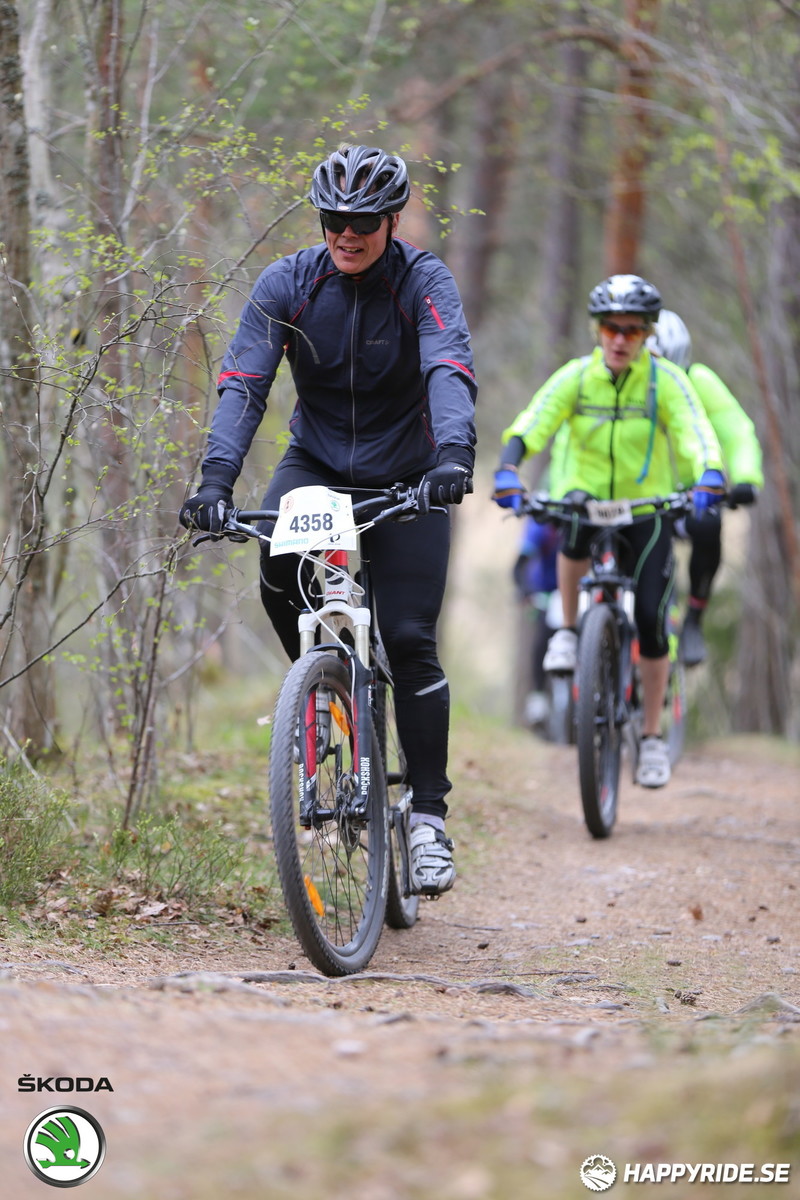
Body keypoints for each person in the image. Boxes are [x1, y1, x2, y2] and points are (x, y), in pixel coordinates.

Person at [180, 144, 478, 894]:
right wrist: (216, 479)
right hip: (317, 467)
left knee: (409, 638)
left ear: (390, 219)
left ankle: (429, 818)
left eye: (363, 221)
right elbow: (244, 381)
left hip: (409, 474)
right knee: (278, 570)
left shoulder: (422, 280)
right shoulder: (289, 283)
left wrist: (451, 457)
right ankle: (319, 699)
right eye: (334, 219)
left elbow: (449, 365)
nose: (347, 233)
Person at [491, 274, 725, 788]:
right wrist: (509, 466)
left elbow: (695, 431)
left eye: (633, 331)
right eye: (612, 328)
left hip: (646, 507)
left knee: (650, 618)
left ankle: (651, 736)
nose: (621, 339)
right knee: (570, 525)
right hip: (587, 499)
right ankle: (570, 634)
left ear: (646, 335)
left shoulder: (666, 382)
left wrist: (709, 470)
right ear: (597, 330)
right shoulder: (576, 377)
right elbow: (534, 422)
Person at [647, 310, 763, 666]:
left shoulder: (699, 382)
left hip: (689, 496)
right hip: (635, 497)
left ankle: (694, 616)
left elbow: (735, 428)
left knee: (708, 524)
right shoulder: (623, 388)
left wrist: (744, 478)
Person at [513, 516, 561, 728]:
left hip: (579, 591)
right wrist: (526, 591)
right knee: (542, 638)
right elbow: (519, 565)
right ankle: (538, 697)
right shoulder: (541, 524)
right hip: (545, 592)